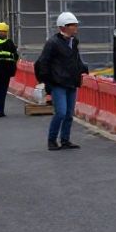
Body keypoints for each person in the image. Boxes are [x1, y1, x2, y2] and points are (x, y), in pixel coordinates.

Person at [36, 12, 87, 151]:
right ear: (64, 27)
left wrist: (83, 69)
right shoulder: (52, 43)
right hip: (58, 84)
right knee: (61, 113)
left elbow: (75, 60)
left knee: (69, 114)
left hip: (71, 82)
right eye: (73, 25)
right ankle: (51, 141)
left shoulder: (74, 41)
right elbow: (42, 63)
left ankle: (65, 140)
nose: (76, 27)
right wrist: (46, 82)